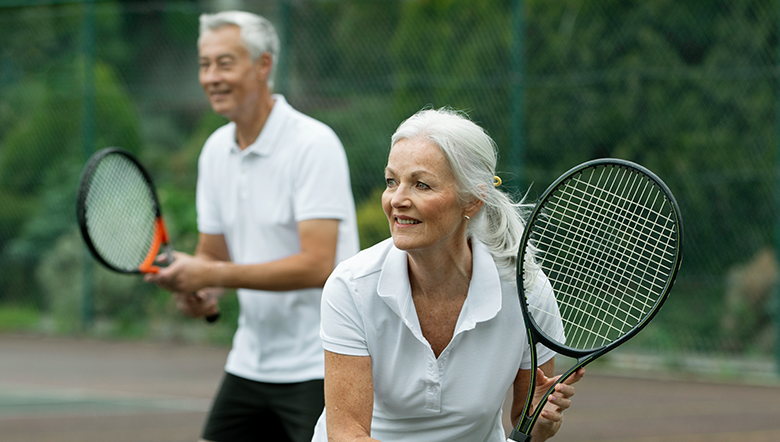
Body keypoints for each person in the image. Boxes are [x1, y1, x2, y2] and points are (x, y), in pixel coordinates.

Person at [144, 10, 360, 442]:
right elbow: (214, 257)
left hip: (320, 360)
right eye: (205, 65)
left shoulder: (313, 145)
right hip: (249, 360)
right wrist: (201, 290)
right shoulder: (213, 151)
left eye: (225, 63)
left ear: (263, 66)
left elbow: (319, 265)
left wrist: (212, 274)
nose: (211, 77)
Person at [310, 108, 584, 442]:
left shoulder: (527, 290)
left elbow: (524, 419)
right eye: (391, 181)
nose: (397, 200)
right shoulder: (350, 287)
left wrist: (539, 424)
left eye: (421, 185)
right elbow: (347, 434)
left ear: (472, 200)